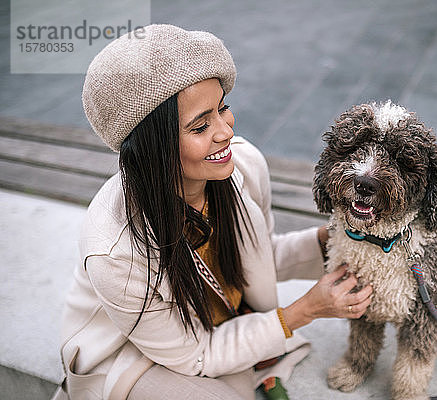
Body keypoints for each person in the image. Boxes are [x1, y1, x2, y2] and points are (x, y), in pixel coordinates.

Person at [53, 24, 373, 400]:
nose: (225, 131)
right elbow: (195, 355)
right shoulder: (114, 252)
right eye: (201, 125)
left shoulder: (244, 164)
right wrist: (303, 311)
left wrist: (331, 241)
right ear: (152, 147)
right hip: (136, 355)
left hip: (213, 329)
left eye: (223, 109)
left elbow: (255, 261)